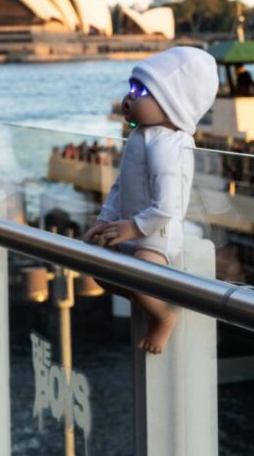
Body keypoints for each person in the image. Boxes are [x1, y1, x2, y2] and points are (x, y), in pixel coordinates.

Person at [84, 47, 218, 354]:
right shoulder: (140, 137)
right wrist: (106, 217)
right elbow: (120, 185)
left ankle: (162, 318)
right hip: (131, 227)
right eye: (131, 88)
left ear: (173, 102)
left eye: (142, 91)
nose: (129, 98)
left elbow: (168, 205)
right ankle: (145, 298)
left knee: (142, 274)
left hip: (157, 236)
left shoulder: (168, 146)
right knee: (100, 270)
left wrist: (135, 227)